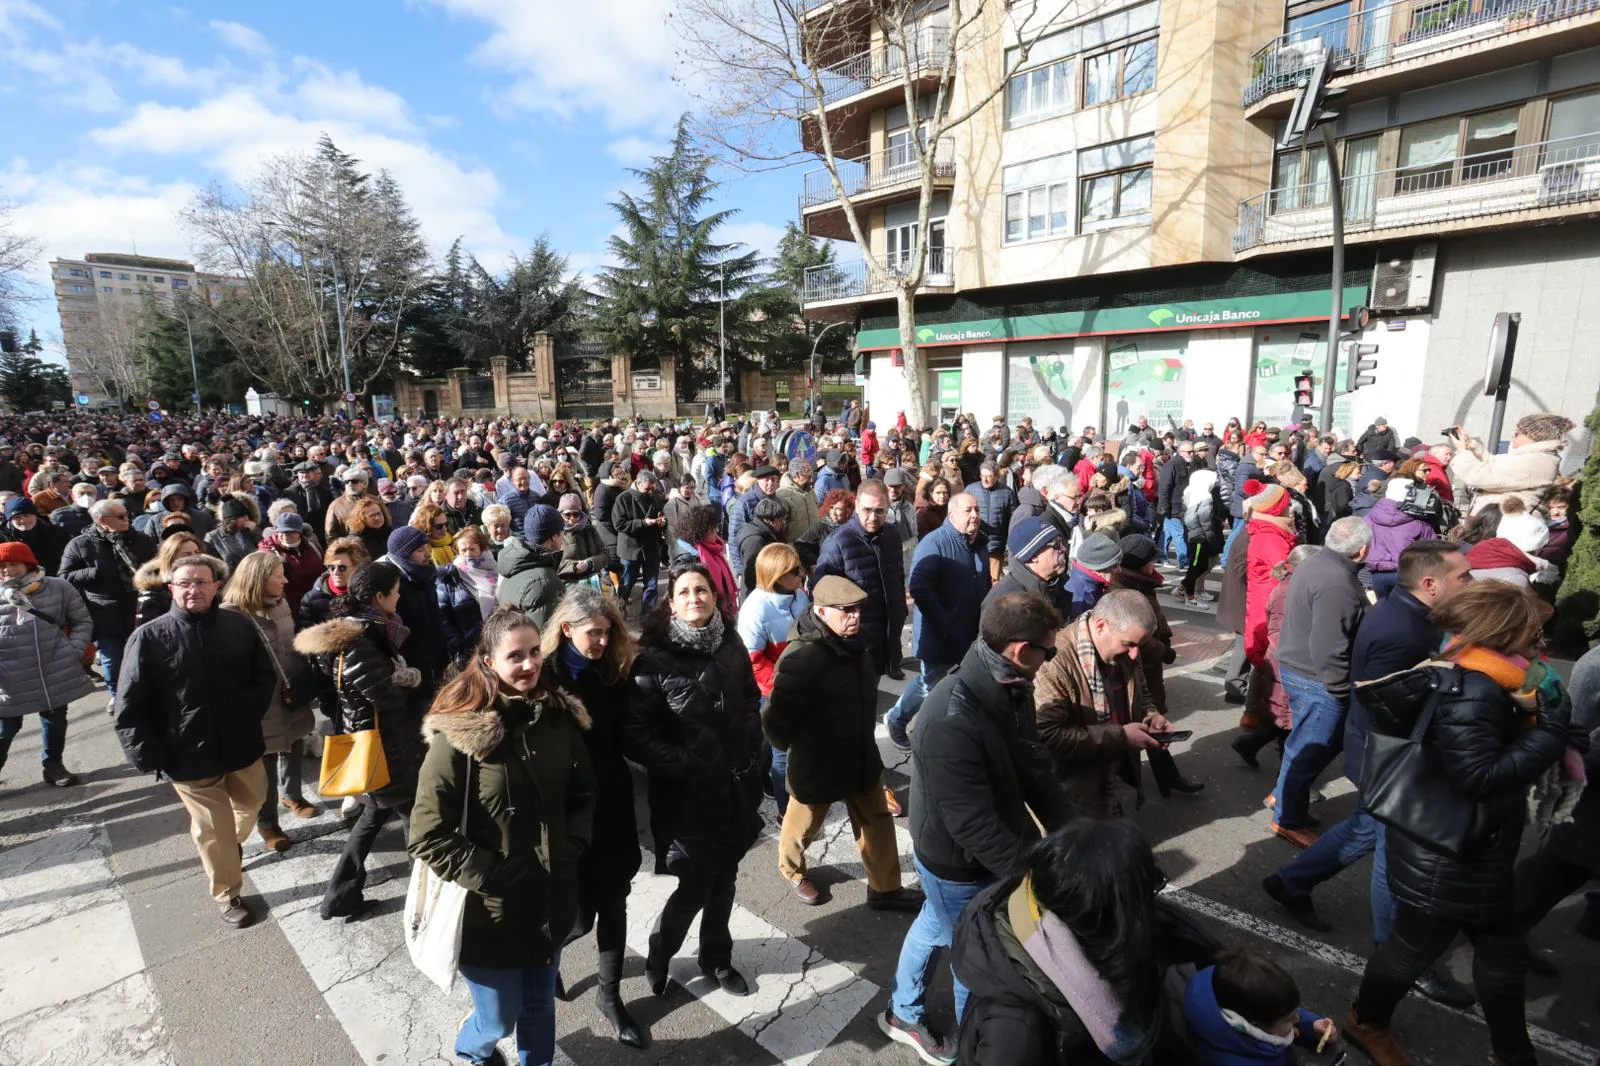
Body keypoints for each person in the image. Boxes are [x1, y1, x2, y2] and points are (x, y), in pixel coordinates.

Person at [1344, 582, 1576, 1066]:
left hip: (1472, 846)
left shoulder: (1495, 676)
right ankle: (1367, 1022)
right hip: (1447, 853)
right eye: (1534, 632)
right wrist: (1552, 734)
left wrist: (1547, 732)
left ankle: (1512, 1053)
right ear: (1504, 632)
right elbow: (1478, 776)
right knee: (1410, 952)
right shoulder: (1476, 687)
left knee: (1502, 954)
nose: (1541, 642)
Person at [1263, 541, 1477, 1009]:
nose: (1471, 582)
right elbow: (1384, 706)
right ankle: (1396, 951)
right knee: (1392, 847)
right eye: (1463, 576)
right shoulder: (1403, 630)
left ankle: (1292, 881)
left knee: (1369, 828)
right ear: (1430, 583)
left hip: (1386, 756)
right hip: (1391, 758)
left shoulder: (1408, 612)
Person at [883, 591, 1075, 1064]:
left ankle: (901, 1011)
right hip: (956, 864)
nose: (1052, 657)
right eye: (1047, 650)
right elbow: (973, 825)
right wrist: (1033, 872)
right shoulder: (951, 717)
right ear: (1019, 650)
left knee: (935, 923)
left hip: (976, 855)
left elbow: (1033, 770)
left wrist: (1073, 837)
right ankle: (976, 1049)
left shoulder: (1012, 686)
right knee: (979, 965)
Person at [410, 607, 596, 1066]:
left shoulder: (558, 717)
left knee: (540, 1006)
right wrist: (495, 875)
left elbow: (584, 792)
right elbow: (427, 835)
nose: (530, 665)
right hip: (489, 912)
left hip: (551, 897)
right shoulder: (457, 736)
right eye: (516, 656)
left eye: (535, 652)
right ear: (489, 662)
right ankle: (474, 1049)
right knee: (500, 1018)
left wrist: (572, 845)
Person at [952, 819, 1204, 1066]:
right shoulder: (1017, 1034)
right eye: (1150, 887)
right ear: (1106, 919)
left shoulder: (1050, 917)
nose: (1153, 902)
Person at [114, 553, 277, 927]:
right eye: (185, 583)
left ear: (216, 586)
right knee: (211, 829)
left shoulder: (238, 626)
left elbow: (263, 675)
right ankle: (227, 892)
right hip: (186, 755)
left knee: (252, 803)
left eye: (201, 582)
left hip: (241, 744)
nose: (194, 590)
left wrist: (247, 712)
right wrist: (148, 755)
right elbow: (129, 706)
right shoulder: (149, 638)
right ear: (172, 588)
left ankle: (227, 847)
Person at [625, 563, 763, 998]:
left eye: (701, 589)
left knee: (726, 880)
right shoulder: (653, 659)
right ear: (671, 604)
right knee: (696, 885)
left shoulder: (731, 641)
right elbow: (635, 735)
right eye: (683, 592)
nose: (694, 598)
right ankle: (660, 953)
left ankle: (716, 959)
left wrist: (749, 743)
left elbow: (750, 698)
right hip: (688, 797)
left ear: (713, 595)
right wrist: (684, 762)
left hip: (735, 788)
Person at [765, 575, 923, 910]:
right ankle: (791, 869)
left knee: (876, 821)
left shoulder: (855, 645)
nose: (855, 617)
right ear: (821, 612)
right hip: (818, 760)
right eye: (846, 610)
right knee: (804, 823)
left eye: (857, 610)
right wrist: (806, 747)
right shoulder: (801, 659)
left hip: (860, 754)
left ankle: (885, 890)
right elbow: (775, 723)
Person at [295, 561, 427, 921]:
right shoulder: (361, 641)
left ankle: (339, 897)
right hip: (386, 745)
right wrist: (408, 681)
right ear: (380, 597)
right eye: (396, 592)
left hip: (377, 743)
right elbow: (383, 698)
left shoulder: (359, 633)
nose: (399, 598)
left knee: (373, 817)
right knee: (418, 821)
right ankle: (426, 903)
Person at [1269, 516, 1372, 848]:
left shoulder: (1319, 564)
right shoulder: (1336, 581)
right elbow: (1329, 644)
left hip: (1305, 671)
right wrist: (1341, 689)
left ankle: (1283, 797)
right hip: (1316, 678)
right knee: (1310, 748)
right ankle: (1287, 817)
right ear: (1363, 550)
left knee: (1316, 743)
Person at [1035, 589, 1175, 817]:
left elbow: (1141, 690)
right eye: (1128, 644)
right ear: (1101, 626)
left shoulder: (1128, 646)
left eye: (1138, 646)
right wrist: (1121, 736)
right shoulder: (1055, 661)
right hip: (1075, 789)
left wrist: (1151, 715)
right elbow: (1050, 736)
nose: (1133, 655)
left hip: (1114, 775)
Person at [221, 553, 317, 854]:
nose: (285, 580)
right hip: (261, 702)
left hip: (290, 692)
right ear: (259, 579)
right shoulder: (231, 614)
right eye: (279, 575)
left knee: (295, 743)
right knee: (265, 763)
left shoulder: (281, 602)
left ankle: (293, 795)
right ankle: (268, 823)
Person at [886, 491, 988, 750]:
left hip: (970, 632)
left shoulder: (979, 542)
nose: (975, 515)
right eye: (968, 511)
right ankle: (898, 719)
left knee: (963, 684)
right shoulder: (935, 543)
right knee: (929, 684)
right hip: (940, 635)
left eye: (976, 509)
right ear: (952, 515)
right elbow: (919, 587)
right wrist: (944, 622)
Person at [0, 540, 94, 787]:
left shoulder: (58, 587)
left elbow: (82, 621)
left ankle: (53, 766)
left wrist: (73, 651)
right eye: (2, 566)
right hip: (9, 676)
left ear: (28, 564)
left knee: (55, 720)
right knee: (5, 728)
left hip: (52, 668)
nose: (6, 570)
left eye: (13, 564)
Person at [735, 543, 812, 817]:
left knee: (769, 743)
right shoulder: (755, 610)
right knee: (782, 753)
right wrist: (783, 685)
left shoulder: (798, 596)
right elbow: (753, 661)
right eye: (794, 571)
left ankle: (761, 780)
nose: (801, 574)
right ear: (776, 574)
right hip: (774, 691)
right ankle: (785, 812)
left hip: (799, 684)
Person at [60, 498, 156, 704]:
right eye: (120, 516)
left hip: (140, 607)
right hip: (104, 612)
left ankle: (147, 693)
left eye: (126, 514)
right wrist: (93, 572)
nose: (126, 519)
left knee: (144, 655)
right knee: (112, 659)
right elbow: (64, 576)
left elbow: (156, 566)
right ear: (102, 520)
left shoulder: (140, 539)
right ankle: (117, 696)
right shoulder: (80, 544)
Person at [812, 479, 907, 678]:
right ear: (856, 506)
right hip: (856, 636)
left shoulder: (891, 535)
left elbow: (898, 577)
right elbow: (822, 596)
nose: (873, 517)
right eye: (867, 510)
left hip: (888, 629)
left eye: (880, 511)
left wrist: (900, 610)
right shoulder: (838, 543)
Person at [1184, 948, 1339, 1066]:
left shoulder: (1242, 1004)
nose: (1297, 1018)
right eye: (1289, 1019)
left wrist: (1311, 1026)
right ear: (1255, 1025)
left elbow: (1280, 1017)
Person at [1448, 413, 1571, 515]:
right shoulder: (1535, 457)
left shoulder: (1536, 461)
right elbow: (1493, 462)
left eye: (1518, 433)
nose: (1513, 435)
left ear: (1534, 437)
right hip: (1496, 526)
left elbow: (1482, 476)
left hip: (1501, 530)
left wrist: (1463, 451)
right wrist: (1470, 444)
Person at [1363, 478, 1439, 599]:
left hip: (1377, 574)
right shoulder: (1419, 523)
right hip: (1409, 574)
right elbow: (1432, 550)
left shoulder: (1368, 518)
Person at [496, 503, 565, 629]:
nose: (563, 537)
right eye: (562, 532)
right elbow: (545, 637)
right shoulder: (543, 582)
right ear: (554, 537)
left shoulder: (515, 563)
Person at [614, 467, 668, 616]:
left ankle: (648, 618)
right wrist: (643, 523)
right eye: (647, 488)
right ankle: (618, 608)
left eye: (652, 488)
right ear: (638, 483)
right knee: (627, 582)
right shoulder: (623, 498)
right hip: (631, 549)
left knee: (651, 585)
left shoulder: (655, 496)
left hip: (651, 547)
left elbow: (661, 513)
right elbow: (619, 524)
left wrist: (663, 522)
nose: (650, 491)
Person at [259, 511, 322, 617]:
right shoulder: (267, 553)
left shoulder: (311, 545)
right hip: (286, 610)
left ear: (299, 532)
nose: (285, 536)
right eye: (282, 532)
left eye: (290, 532)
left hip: (314, 606)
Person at [299, 536, 368, 628]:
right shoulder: (312, 599)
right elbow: (303, 634)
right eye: (331, 567)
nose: (335, 572)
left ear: (357, 567)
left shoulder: (367, 594)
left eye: (342, 568)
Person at [965, 461, 1017, 582]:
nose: (985, 479)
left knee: (994, 579)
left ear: (997, 476)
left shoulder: (1007, 492)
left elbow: (1012, 517)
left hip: (996, 544)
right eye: (983, 476)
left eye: (989, 476)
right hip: (974, 542)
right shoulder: (970, 489)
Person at [1063, 531, 1122, 620]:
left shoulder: (1091, 586)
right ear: (1097, 567)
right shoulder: (1082, 598)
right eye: (1114, 566)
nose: (1119, 570)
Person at [735, 496, 788, 593]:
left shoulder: (764, 534)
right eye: (780, 520)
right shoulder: (755, 541)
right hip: (755, 594)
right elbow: (751, 577)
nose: (782, 523)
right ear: (769, 520)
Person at [555, 492, 607, 589]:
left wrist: (590, 563)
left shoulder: (589, 529)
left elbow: (605, 555)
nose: (572, 519)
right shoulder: (556, 534)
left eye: (576, 514)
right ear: (561, 514)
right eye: (567, 514)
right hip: (569, 584)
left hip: (593, 580)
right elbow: (553, 563)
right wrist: (574, 567)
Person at [4, 496, 66, 576]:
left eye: (27, 515)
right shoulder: (3, 538)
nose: (23, 520)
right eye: (17, 517)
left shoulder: (55, 532)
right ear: (10, 520)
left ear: (35, 515)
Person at [1156, 440, 1194, 565]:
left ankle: (1161, 556)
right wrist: (1164, 507)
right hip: (1173, 506)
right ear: (1180, 451)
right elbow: (1164, 488)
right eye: (1188, 452)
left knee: (1166, 533)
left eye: (1192, 451)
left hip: (1183, 506)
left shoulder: (1190, 464)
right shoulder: (1172, 465)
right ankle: (1183, 561)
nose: (1191, 454)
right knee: (1179, 534)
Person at [452, 525, 500, 621]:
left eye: (472, 549)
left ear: (481, 548)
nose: (468, 554)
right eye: (464, 550)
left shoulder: (492, 562)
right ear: (457, 551)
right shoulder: (456, 570)